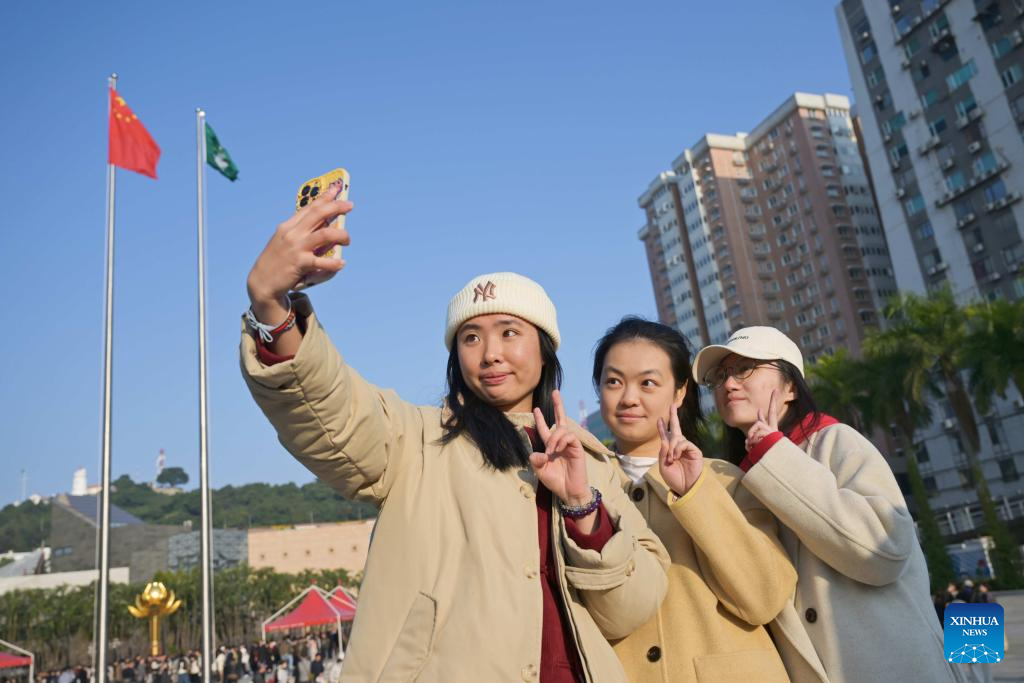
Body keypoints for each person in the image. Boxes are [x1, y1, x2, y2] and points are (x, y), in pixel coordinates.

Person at [240, 194, 669, 682]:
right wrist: (273, 310)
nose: (490, 353)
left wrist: (581, 508)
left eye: (510, 332)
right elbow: (331, 407)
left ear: (545, 351)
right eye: (471, 338)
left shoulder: (593, 464)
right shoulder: (416, 440)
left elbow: (632, 609)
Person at [693, 326, 965, 682]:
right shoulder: (738, 479)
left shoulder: (835, 442)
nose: (728, 384)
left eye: (745, 369)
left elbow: (884, 549)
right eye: (720, 375)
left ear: (791, 387)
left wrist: (774, 455)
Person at [592, 318, 798, 682]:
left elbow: (764, 598)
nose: (628, 397)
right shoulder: (580, 484)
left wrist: (695, 494)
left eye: (648, 383)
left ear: (680, 392)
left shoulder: (724, 478)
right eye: (613, 381)